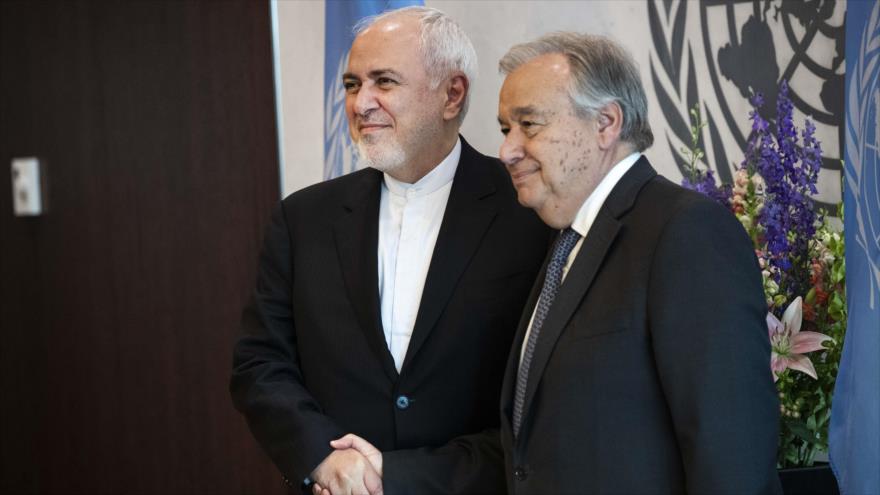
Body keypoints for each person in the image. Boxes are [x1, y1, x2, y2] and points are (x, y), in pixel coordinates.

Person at [230, 7, 550, 495]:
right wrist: (322, 458)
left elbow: (546, 395)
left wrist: (400, 477)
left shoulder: (529, 212)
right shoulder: (303, 218)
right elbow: (260, 363)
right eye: (352, 85)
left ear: (452, 94)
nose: (361, 103)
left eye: (384, 81)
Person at [493, 32, 783, 494]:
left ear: (606, 123)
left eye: (529, 125)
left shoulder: (687, 233)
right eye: (505, 129)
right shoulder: (564, 241)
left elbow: (731, 454)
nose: (507, 150)